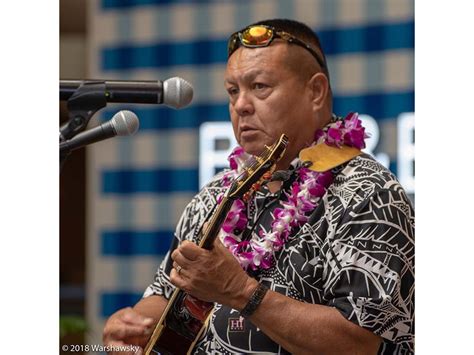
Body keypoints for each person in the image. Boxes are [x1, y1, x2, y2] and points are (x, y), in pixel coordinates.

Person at [103, 18, 414, 355]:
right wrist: (132, 326)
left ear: (316, 91)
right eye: (233, 91)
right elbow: (167, 294)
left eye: (260, 87)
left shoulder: (369, 192)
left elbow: (359, 343)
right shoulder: (215, 194)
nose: (241, 105)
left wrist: (240, 291)